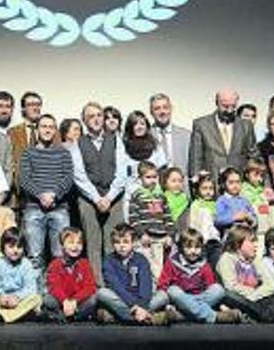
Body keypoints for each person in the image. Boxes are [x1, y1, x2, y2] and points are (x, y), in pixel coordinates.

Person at [75, 102, 125, 286]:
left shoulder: (115, 139)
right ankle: (98, 286)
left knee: (114, 242)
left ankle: (115, 283)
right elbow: (79, 175)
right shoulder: (78, 144)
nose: (95, 119)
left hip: (114, 197)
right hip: (89, 199)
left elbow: (121, 171)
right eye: (90, 116)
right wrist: (96, 199)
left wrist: (109, 197)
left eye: (98, 115)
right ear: (84, 121)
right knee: (93, 244)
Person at [19, 114, 73, 276]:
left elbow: (68, 178)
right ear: (37, 129)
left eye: (51, 127)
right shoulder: (28, 153)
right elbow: (24, 179)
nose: (47, 130)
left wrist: (54, 195)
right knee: (35, 256)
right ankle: (37, 297)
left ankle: (58, 294)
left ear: (55, 130)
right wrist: (41, 196)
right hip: (33, 209)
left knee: (60, 255)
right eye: (44, 126)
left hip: (59, 209)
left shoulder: (64, 153)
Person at [156, 227, 242, 324]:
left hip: (200, 297)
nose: (193, 251)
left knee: (218, 289)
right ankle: (213, 317)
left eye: (197, 247)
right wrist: (166, 302)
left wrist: (221, 305)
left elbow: (210, 285)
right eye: (188, 247)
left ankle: (183, 314)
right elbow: (162, 284)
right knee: (173, 290)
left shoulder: (204, 265)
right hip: (180, 299)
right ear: (181, 248)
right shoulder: (172, 263)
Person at [216, 224, 274, 323]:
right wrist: (252, 294)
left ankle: (250, 316)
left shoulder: (255, 259)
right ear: (237, 243)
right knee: (227, 295)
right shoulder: (227, 258)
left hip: (254, 299)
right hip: (237, 299)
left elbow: (271, 285)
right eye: (252, 241)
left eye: (256, 241)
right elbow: (231, 286)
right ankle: (271, 316)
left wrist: (254, 296)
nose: (256, 245)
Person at [96, 223, 166, 325]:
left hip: (142, 300)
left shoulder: (141, 259)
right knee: (102, 293)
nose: (121, 246)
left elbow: (146, 285)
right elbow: (116, 286)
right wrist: (134, 305)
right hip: (122, 299)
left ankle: (119, 317)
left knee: (163, 295)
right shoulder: (109, 260)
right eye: (117, 242)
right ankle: (149, 317)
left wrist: (141, 306)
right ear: (112, 244)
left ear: (133, 243)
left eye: (126, 242)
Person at [188, 89, 259, 182]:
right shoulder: (201, 124)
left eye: (233, 106)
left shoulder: (246, 126)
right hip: (211, 183)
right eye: (225, 106)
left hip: (238, 184)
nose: (229, 110)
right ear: (216, 103)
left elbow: (254, 156)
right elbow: (195, 157)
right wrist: (196, 181)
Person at [9, 92, 57, 210]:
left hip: (49, 194)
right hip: (22, 195)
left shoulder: (53, 131)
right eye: (31, 104)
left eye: (38, 104)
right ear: (23, 109)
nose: (35, 108)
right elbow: (10, 162)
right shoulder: (12, 133)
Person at [0, 227, 42, 323]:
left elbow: (31, 288)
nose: (15, 250)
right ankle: (20, 315)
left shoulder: (26, 264)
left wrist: (18, 297)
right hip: (3, 300)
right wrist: (1, 297)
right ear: (3, 247)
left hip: (20, 300)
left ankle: (6, 317)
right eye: (11, 247)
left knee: (36, 299)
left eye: (19, 247)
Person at [129, 161, 174, 279]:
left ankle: (157, 290)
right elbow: (133, 217)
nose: (152, 180)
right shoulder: (137, 195)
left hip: (159, 238)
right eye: (148, 177)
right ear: (140, 178)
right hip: (145, 239)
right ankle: (147, 288)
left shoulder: (161, 196)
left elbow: (168, 217)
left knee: (158, 266)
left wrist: (169, 235)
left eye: (155, 177)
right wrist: (141, 233)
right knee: (145, 265)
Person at [43, 227, 97, 322]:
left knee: (94, 299)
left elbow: (90, 287)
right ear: (62, 245)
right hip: (62, 301)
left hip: (78, 302)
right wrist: (65, 301)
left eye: (79, 243)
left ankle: (71, 316)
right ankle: (64, 315)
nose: (75, 247)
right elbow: (54, 287)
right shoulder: (55, 264)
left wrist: (74, 301)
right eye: (71, 243)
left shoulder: (85, 263)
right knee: (48, 300)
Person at [118, 110, 166, 218]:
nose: (139, 127)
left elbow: (162, 170)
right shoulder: (123, 146)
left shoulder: (156, 146)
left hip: (153, 195)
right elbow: (121, 173)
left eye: (142, 123)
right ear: (130, 127)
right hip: (132, 194)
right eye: (135, 124)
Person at [149, 93, 191, 172]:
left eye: (165, 107)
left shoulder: (186, 136)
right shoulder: (146, 136)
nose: (162, 112)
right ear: (151, 112)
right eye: (157, 108)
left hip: (181, 183)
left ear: (171, 109)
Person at [242, 158, 274, 236]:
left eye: (261, 175)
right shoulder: (243, 190)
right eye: (256, 174)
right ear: (247, 174)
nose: (259, 179)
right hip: (253, 229)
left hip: (266, 227)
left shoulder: (263, 190)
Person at [214, 167, 256, 232]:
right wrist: (234, 217)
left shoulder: (244, 200)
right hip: (230, 236)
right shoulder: (222, 201)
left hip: (246, 234)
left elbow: (254, 215)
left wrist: (250, 218)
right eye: (231, 182)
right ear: (223, 184)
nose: (235, 185)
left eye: (238, 182)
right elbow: (218, 220)